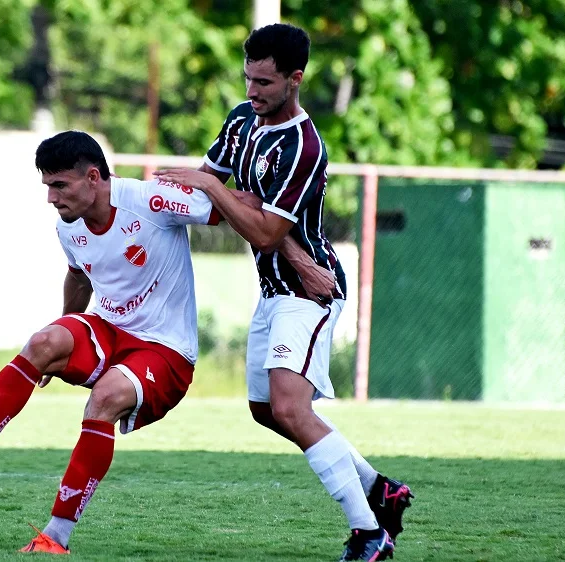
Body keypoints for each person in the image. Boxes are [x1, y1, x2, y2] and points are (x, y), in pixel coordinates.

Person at [155, 23, 413, 561]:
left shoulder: (303, 145)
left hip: (311, 291)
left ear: (295, 79)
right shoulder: (241, 120)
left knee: (291, 408)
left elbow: (262, 226)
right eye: (248, 78)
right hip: (276, 287)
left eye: (265, 82)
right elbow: (222, 200)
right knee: (265, 409)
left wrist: (216, 190)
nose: (252, 91)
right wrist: (217, 194)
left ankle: (370, 534)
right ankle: (379, 489)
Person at [0, 130, 223, 554]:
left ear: (94, 178)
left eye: (59, 185)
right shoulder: (69, 228)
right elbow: (79, 276)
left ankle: (55, 537)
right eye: (47, 186)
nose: (51, 198)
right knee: (42, 341)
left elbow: (231, 212)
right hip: (110, 331)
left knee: (104, 398)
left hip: (166, 350)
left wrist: (219, 188)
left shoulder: (150, 200)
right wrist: (63, 339)